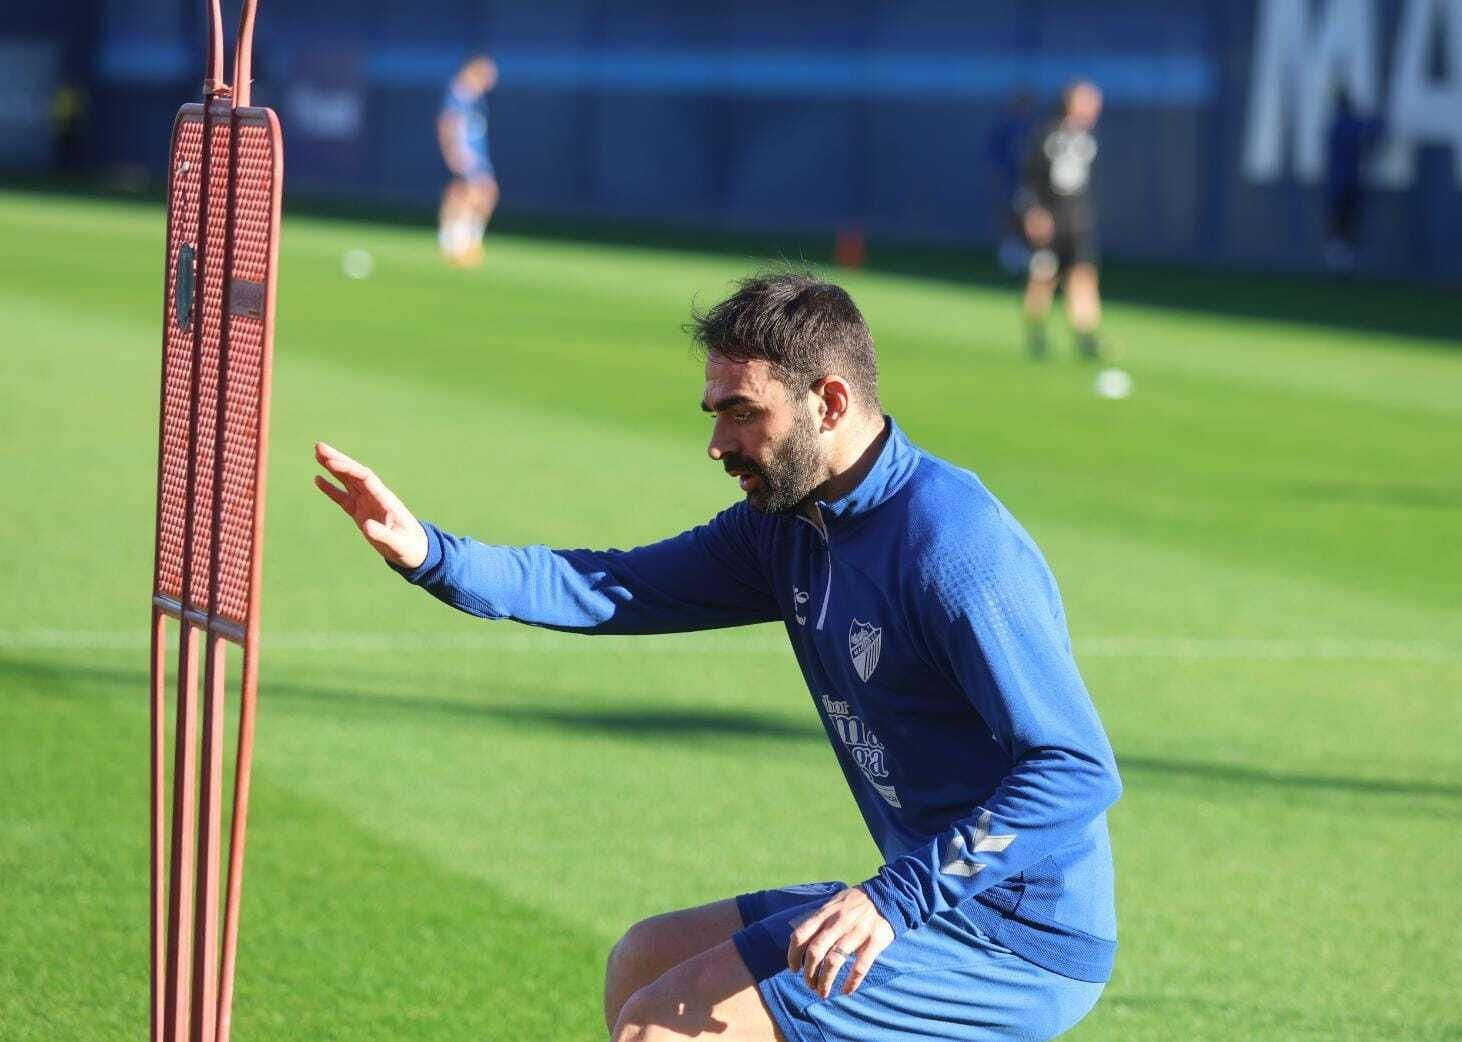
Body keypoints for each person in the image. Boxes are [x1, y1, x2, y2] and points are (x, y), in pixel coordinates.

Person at [314, 271, 1122, 1042]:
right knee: (646, 964)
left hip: (1016, 938)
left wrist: (896, 898)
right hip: (926, 903)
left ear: (829, 402)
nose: (716, 443)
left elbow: (1077, 768)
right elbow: (617, 584)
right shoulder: (788, 527)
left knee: (661, 1028)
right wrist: (431, 554)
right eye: (713, 411)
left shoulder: (953, 545)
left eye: (741, 413)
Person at [1018, 82, 1103, 361]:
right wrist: (1035, 213)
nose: (1094, 108)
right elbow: (1031, 180)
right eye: (1088, 101)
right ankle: (1036, 334)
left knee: (1083, 276)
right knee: (1043, 276)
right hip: (1050, 223)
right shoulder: (1050, 136)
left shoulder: (1087, 138)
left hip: (1077, 224)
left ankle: (1086, 337)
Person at [437, 55, 499, 268]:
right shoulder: (460, 93)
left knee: (474, 194)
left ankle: (459, 242)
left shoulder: (474, 96)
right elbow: (447, 123)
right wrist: (453, 151)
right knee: (476, 193)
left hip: (476, 153)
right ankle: (460, 243)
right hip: (467, 153)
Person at [1323, 93, 1384, 274]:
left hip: (1339, 182)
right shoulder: (1348, 123)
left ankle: (1340, 258)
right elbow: (1376, 130)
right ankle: (1342, 259)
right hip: (1348, 181)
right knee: (1345, 222)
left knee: (1341, 222)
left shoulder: (1335, 124)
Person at [985, 90, 1036, 274]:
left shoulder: (1032, 127)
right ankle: (1009, 253)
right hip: (1010, 181)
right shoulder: (1006, 126)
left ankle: (1026, 253)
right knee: (1008, 215)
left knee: (1026, 217)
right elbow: (995, 154)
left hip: (1029, 183)